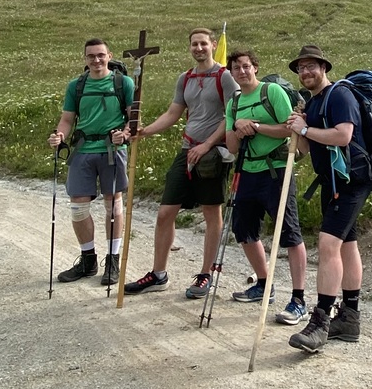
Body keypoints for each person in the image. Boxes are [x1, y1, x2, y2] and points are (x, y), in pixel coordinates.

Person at [124, 28, 239, 299]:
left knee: (211, 211)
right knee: (165, 213)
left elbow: (232, 114)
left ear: (213, 45)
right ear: (190, 47)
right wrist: (145, 131)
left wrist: (207, 144)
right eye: (194, 44)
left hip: (213, 153)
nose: (199, 48)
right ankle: (158, 274)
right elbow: (173, 112)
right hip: (187, 150)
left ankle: (205, 274)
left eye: (203, 43)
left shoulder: (225, 77)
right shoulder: (185, 78)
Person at [283, 45, 370, 352]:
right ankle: (349, 319)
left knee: (328, 244)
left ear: (323, 67)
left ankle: (320, 322)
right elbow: (308, 149)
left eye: (311, 66)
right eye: (301, 68)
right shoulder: (314, 101)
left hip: (351, 181)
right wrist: (298, 131)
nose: (305, 72)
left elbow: (343, 135)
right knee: (347, 245)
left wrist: (306, 127)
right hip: (332, 181)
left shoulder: (340, 95)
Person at [223, 49, 310, 325]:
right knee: (243, 230)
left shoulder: (271, 92)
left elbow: (289, 128)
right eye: (236, 68)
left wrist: (256, 126)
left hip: (277, 170)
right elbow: (232, 146)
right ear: (231, 73)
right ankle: (263, 284)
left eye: (246, 66)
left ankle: (299, 299)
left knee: (290, 232)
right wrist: (238, 127)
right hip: (247, 170)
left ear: (255, 68)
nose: (241, 71)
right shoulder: (234, 102)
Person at [47, 38, 137, 286]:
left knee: (113, 204)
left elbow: (133, 119)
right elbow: (67, 119)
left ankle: (112, 260)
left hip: (112, 148)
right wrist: (59, 135)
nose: (96, 60)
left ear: (109, 55)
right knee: (78, 206)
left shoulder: (123, 83)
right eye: (91, 56)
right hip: (82, 149)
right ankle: (88, 260)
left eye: (100, 55)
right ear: (85, 59)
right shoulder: (76, 86)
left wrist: (124, 134)